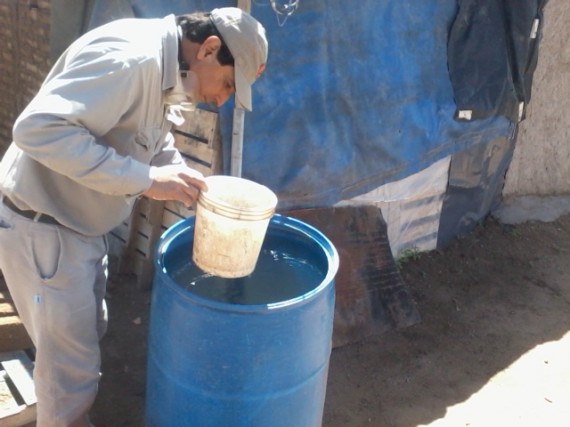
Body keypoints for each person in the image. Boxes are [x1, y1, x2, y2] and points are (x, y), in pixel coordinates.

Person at [0, 7, 267, 427]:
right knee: (71, 373)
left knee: (82, 340)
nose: (223, 99)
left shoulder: (167, 68)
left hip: (78, 225)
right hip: (44, 227)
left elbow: (149, 136)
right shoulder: (132, 61)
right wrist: (145, 178)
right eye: (229, 83)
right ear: (210, 49)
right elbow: (38, 129)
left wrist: (175, 171)